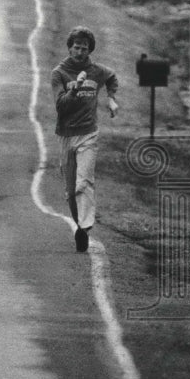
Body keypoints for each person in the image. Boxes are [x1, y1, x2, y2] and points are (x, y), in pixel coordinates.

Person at [51, 27, 119, 252]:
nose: (80, 52)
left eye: (85, 48)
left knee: (84, 182)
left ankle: (85, 228)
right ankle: (80, 226)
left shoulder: (96, 70)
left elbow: (111, 76)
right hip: (66, 135)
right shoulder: (59, 73)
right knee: (71, 192)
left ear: (90, 49)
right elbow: (60, 106)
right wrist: (76, 87)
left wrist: (111, 99)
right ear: (70, 48)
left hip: (89, 134)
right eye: (77, 47)